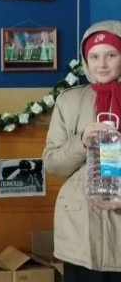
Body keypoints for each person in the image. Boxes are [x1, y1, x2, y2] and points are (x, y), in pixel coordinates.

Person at [43, 20, 121, 282]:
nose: (102, 64)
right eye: (94, 57)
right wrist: (81, 142)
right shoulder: (69, 101)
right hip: (80, 234)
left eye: (111, 55)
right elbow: (52, 165)